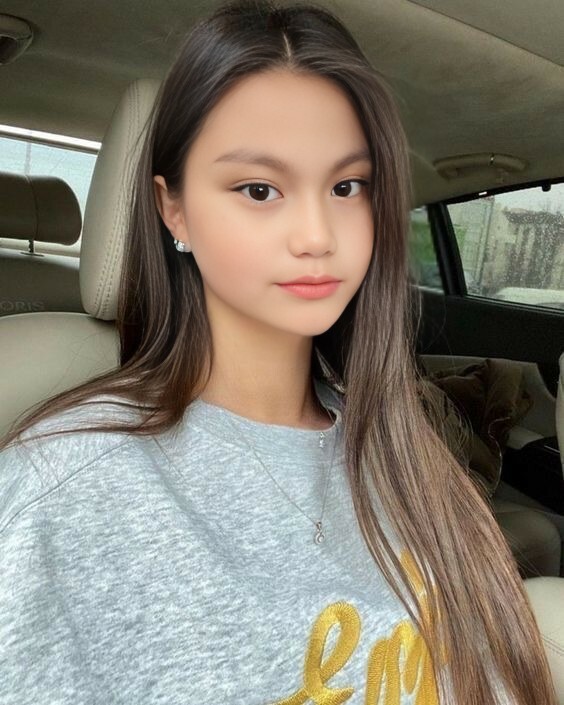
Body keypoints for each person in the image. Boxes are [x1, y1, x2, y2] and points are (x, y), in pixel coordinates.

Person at [0, 2, 557, 704]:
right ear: (174, 210)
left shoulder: (398, 444)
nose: (317, 235)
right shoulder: (62, 487)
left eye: (347, 186)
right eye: (259, 189)